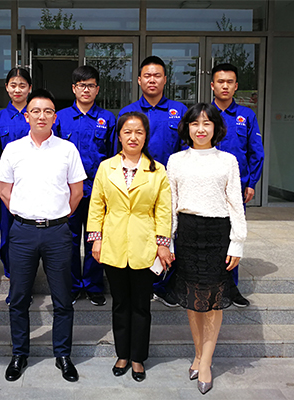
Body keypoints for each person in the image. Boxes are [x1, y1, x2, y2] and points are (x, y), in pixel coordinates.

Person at [0, 89, 86, 383]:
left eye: (48, 111)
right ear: (27, 116)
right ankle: (19, 354)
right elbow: (5, 191)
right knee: (19, 298)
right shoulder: (13, 150)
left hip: (58, 232)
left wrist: (58, 216)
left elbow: (77, 192)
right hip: (22, 232)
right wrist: (24, 214)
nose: (42, 116)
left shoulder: (67, 150)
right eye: (36, 111)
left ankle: (63, 355)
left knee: (63, 299)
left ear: (55, 117)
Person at [166, 103, 247, 395]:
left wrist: (237, 241)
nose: (201, 129)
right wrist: (168, 240)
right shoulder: (176, 160)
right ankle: (198, 354)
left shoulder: (228, 161)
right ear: (187, 128)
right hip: (187, 233)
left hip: (218, 235)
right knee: (192, 298)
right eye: (195, 124)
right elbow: (171, 204)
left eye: (207, 123)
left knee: (213, 300)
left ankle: (206, 363)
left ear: (216, 128)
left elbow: (236, 203)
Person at [87, 111, 173, 382]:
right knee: (120, 304)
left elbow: (163, 210)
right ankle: (122, 354)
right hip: (113, 243)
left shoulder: (157, 170)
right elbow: (97, 205)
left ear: (146, 136)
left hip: (144, 244)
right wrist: (96, 238)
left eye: (139, 132)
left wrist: (162, 244)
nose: (133, 137)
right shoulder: (106, 167)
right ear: (119, 136)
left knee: (141, 305)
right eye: (127, 131)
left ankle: (138, 358)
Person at [119, 55, 187, 308]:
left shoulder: (179, 111)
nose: (152, 80)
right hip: (138, 185)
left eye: (157, 75)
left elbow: (186, 148)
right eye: (147, 75)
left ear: (165, 79)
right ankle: (143, 283)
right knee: (141, 231)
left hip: (170, 184)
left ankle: (165, 285)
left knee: (170, 233)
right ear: (139, 80)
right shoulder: (128, 112)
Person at [55, 65, 117, 306]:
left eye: (91, 86)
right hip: (68, 191)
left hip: (97, 191)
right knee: (69, 240)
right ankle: (72, 286)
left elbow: (113, 156)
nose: (86, 90)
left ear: (97, 89)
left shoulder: (107, 119)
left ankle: (93, 285)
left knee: (95, 238)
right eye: (82, 85)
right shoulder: (61, 118)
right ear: (74, 88)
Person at [211, 63, 264, 307]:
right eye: (220, 81)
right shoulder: (203, 114)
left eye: (229, 82)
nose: (225, 86)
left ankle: (231, 288)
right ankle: (206, 284)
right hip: (207, 187)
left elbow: (256, 152)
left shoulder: (246, 116)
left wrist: (251, 183)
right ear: (212, 85)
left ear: (236, 86)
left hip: (236, 188)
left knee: (234, 236)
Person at [0, 68, 32, 303]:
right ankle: (13, 277)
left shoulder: (36, 114)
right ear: (6, 87)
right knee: (8, 235)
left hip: (35, 187)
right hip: (7, 190)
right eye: (13, 85)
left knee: (31, 237)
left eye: (22, 85)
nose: (17, 89)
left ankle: (28, 281)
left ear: (29, 88)